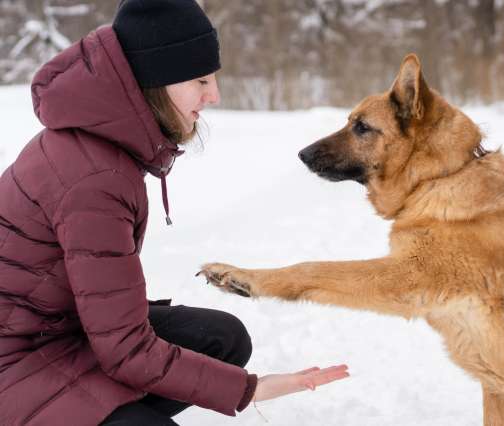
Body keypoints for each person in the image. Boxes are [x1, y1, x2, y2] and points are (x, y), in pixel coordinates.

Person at [0, 1, 349, 425]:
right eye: (200, 79)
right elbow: (125, 349)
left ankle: (104, 408)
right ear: (152, 83)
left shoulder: (98, 145)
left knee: (222, 339)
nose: (214, 94)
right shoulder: (94, 178)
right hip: (17, 360)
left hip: (62, 330)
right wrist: (250, 389)